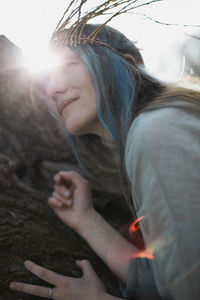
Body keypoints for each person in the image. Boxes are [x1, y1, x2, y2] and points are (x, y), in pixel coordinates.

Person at [9, 23, 200, 300]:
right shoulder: (157, 130)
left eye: (68, 64)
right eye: (44, 81)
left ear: (122, 63)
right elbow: (167, 277)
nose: (52, 90)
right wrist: (84, 218)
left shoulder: (155, 132)